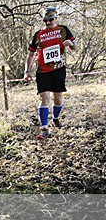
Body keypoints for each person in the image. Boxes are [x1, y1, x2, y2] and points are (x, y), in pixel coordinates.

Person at [24, 7, 76, 140]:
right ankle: (44, 128)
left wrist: (70, 44)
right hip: (43, 71)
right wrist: (27, 71)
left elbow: (74, 47)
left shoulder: (63, 30)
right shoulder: (38, 34)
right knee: (44, 98)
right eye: (45, 20)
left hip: (58, 69)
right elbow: (30, 55)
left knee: (58, 99)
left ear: (56, 18)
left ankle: (56, 118)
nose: (48, 23)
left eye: (51, 20)